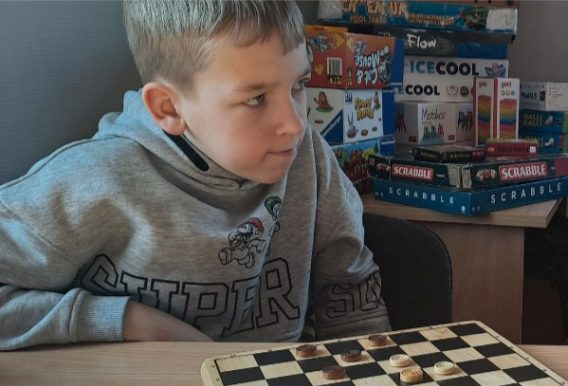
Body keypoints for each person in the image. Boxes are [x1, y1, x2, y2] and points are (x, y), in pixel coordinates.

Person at [0, 0, 390, 350]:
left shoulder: (309, 158)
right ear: (168, 108)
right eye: (256, 99)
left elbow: (352, 296)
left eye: (298, 85)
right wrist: (130, 322)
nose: (295, 124)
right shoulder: (92, 180)